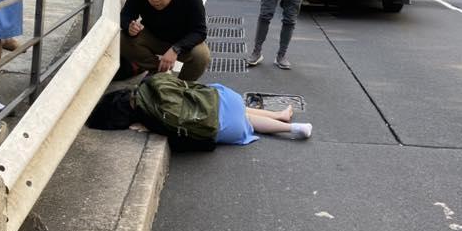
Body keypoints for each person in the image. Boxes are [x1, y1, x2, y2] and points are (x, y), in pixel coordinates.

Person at [86, 75, 312, 149]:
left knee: (243, 121)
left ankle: (292, 127)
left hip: (221, 126)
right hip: (223, 98)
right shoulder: (151, 82)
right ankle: (281, 117)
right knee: (234, 108)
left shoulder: (147, 119)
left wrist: (146, 127)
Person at [119, 0, 211, 82]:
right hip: (152, 36)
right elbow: (125, 15)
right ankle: (157, 70)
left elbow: (200, 31)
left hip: (182, 42)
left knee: (202, 56)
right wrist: (129, 26)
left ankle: (182, 86)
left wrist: (175, 49)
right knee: (121, 38)